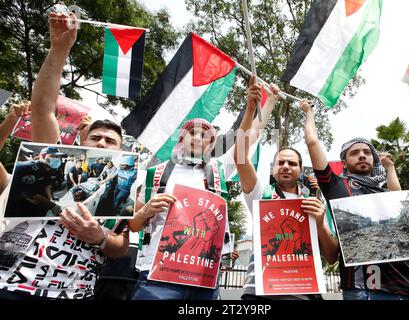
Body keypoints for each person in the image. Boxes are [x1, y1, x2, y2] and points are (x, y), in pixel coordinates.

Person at [0, 10, 129, 300]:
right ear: (81, 140)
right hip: (12, 284)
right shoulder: (53, 158)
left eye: (111, 140)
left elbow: (122, 244)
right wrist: (59, 50)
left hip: (74, 290)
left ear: (121, 150)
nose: (103, 143)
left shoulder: (127, 185)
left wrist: (100, 237)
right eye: (96, 137)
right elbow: (44, 106)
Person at [128, 78, 282, 300]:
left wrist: (262, 105)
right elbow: (133, 225)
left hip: (203, 277)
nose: (199, 138)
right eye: (194, 133)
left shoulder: (218, 170)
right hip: (157, 276)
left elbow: (249, 137)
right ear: (181, 139)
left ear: (211, 145)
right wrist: (145, 211)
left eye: (206, 136)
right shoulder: (156, 173)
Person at [301, 100, 409, 300]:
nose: (362, 156)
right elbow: (312, 142)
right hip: (364, 290)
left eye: (367, 152)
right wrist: (308, 112)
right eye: (355, 153)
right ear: (344, 162)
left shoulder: (386, 194)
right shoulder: (337, 186)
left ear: (373, 159)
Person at [233, 77, 337, 300]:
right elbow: (240, 155)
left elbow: (331, 256)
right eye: (281, 162)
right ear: (272, 170)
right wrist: (253, 108)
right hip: (259, 293)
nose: (286, 167)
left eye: (292, 163)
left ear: (301, 170)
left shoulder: (314, 202)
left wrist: (319, 223)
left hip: (306, 292)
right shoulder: (260, 195)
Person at [4, 146, 67, 219]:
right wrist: (52, 205)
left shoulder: (53, 170)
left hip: (40, 207)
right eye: (55, 156)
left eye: (59, 157)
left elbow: (47, 186)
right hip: (19, 207)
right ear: (43, 156)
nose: (58, 160)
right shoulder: (26, 168)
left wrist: (51, 199)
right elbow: (31, 195)